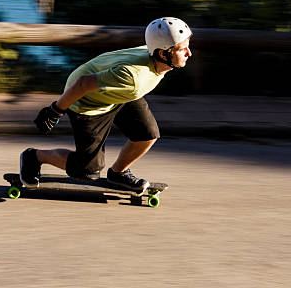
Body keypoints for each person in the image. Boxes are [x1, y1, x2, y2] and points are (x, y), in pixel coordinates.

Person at [20, 17, 192, 192]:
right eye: (183, 49)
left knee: (147, 135)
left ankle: (118, 173)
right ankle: (33, 157)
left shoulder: (154, 55)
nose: (189, 53)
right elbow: (83, 84)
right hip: (86, 100)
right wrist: (55, 110)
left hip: (118, 91)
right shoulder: (134, 77)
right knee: (86, 171)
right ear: (163, 54)